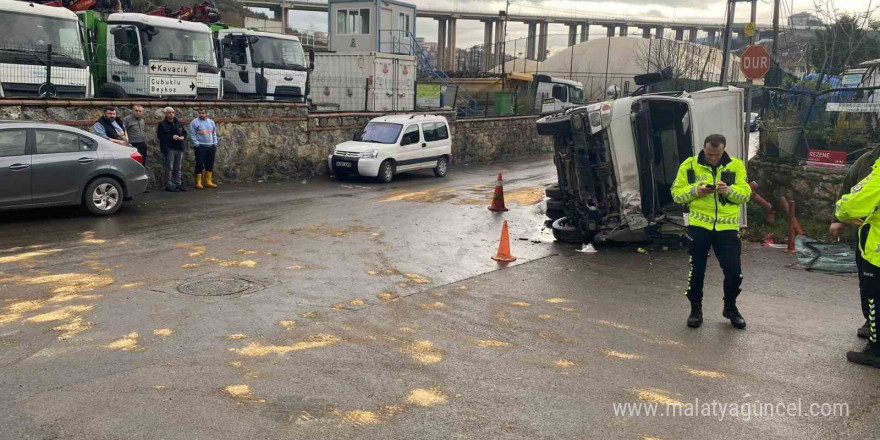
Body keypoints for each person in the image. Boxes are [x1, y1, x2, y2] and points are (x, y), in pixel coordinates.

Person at [671, 134, 752, 329]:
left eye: (717, 154)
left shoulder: (736, 165)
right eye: (709, 154)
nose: (713, 158)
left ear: (723, 150)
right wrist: (695, 191)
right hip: (699, 226)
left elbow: (746, 195)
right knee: (697, 271)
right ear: (704, 148)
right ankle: (695, 310)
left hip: (727, 228)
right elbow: (676, 194)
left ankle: (730, 308)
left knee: (734, 273)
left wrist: (729, 191)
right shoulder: (689, 165)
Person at [830, 144, 880, 339]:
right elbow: (848, 188)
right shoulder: (867, 160)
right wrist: (838, 219)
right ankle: (871, 322)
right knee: (868, 283)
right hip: (867, 235)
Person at [156, 107, 187, 193]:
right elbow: (160, 136)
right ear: (166, 114)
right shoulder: (162, 124)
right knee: (169, 167)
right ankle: (169, 185)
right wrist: (171, 137)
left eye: (173, 112)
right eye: (169, 112)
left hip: (179, 147)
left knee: (178, 168)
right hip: (169, 148)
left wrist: (183, 137)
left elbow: (184, 132)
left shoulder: (178, 122)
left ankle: (178, 183)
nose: (171, 114)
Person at [189, 109, 218, 189]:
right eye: (200, 113)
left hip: (211, 146)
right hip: (200, 147)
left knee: (210, 164)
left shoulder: (211, 122)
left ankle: (208, 181)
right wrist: (197, 144)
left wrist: (215, 143)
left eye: (203, 113)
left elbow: (214, 133)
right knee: (200, 164)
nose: (201, 114)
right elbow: (192, 134)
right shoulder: (194, 122)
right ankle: (198, 182)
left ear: (206, 113)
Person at [123, 105, 149, 191]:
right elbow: (123, 132)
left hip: (142, 144)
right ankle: (131, 188)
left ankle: (141, 187)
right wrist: (127, 143)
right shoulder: (127, 120)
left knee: (142, 166)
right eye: (136, 111)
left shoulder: (142, 120)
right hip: (133, 145)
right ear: (133, 111)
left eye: (140, 111)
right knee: (133, 166)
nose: (138, 112)